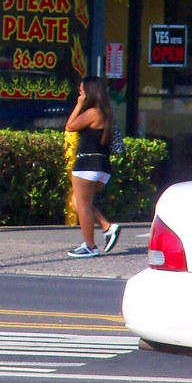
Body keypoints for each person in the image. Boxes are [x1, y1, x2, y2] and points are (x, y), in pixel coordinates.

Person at [65, 75, 120, 258]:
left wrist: (79, 104)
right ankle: (107, 227)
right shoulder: (107, 113)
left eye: (82, 90)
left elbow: (70, 126)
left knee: (83, 206)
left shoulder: (93, 113)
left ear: (90, 92)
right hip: (103, 166)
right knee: (79, 202)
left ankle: (89, 245)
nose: (80, 93)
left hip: (87, 165)